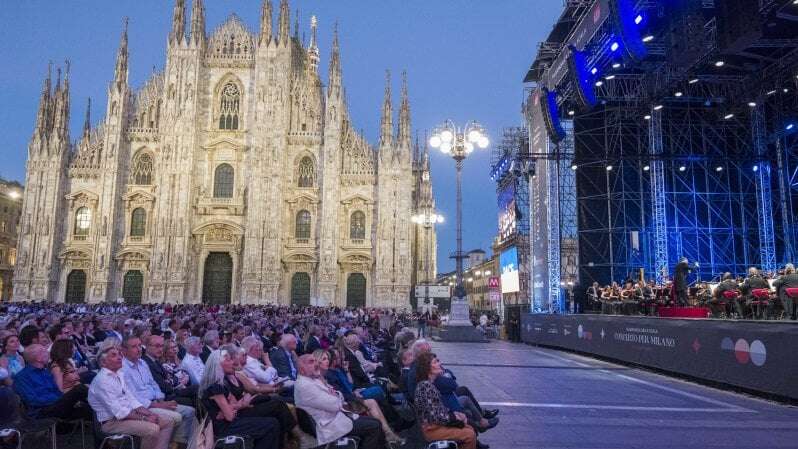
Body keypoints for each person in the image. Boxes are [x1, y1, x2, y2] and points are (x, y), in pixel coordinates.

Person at [88, 345, 175, 449]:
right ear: (103, 363)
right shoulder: (102, 381)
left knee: (167, 422)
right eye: (114, 355)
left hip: (128, 416)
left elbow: (132, 400)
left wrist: (150, 414)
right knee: (152, 429)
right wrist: (145, 418)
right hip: (111, 423)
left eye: (120, 354)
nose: (120, 357)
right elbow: (120, 412)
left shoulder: (119, 374)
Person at [294, 354, 385, 449]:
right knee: (374, 426)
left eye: (315, 360)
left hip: (338, 417)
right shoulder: (305, 386)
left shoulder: (313, 379)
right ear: (302, 369)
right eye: (311, 362)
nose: (316, 364)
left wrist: (335, 396)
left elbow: (338, 395)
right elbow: (335, 405)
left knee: (375, 422)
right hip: (329, 426)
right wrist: (335, 396)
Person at [315, 348, 405, 445]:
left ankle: (389, 432)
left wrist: (346, 371)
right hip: (344, 406)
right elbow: (340, 395)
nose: (328, 360)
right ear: (318, 362)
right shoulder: (328, 375)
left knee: (374, 398)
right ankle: (389, 431)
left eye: (327, 358)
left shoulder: (336, 370)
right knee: (375, 397)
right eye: (324, 359)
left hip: (349, 398)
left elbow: (350, 385)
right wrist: (353, 395)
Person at [120, 335, 195, 446]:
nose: (139, 349)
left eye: (140, 346)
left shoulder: (142, 363)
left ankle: (176, 444)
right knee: (175, 417)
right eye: (134, 346)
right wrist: (158, 405)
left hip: (156, 401)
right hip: (143, 406)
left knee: (189, 411)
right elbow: (134, 397)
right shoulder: (122, 368)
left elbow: (154, 384)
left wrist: (161, 400)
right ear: (124, 351)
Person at [198, 349, 281, 449]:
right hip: (224, 427)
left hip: (231, 421)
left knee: (272, 421)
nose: (233, 362)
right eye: (228, 360)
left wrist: (230, 408)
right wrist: (237, 407)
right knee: (271, 425)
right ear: (218, 364)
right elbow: (230, 416)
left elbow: (236, 403)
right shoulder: (215, 387)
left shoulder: (222, 384)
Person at [225, 345, 297, 447]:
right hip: (242, 411)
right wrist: (273, 389)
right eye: (240, 355)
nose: (242, 358)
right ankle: (294, 435)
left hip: (250, 402)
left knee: (277, 406)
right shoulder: (230, 376)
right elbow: (254, 388)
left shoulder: (236, 373)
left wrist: (272, 388)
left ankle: (288, 439)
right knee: (277, 408)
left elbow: (253, 388)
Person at [413, 352, 477, 449]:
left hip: (434, 425)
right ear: (427, 368)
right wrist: (455, 417)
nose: (439, 363)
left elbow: (437, 409)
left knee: (469, 428)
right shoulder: (425, 386)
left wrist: (455, 414)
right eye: (435, 362)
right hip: (432, 429)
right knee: (469, 435)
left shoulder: (428, 384)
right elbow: (435, 416)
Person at [13, 343, 92, 421]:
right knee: (79, 389)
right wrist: (60, 399)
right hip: (43, 411)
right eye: (44, 351)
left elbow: (56, 390)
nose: (48, 352)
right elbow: (33, 400)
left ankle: (102, 428)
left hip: (56, 405)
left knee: (90, 410)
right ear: (38, 358)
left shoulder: (45, 372)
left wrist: (64, 399)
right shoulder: (22, 377)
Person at [142, 335, 197, 406]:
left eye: (161, 346)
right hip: (165, 395)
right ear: (147, 346)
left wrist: (173, 381)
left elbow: (169, 378)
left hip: (171, 390)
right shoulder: (146, 362)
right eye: (157, 346)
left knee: (197, 388)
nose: (160, 349)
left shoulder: (155, 360)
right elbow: (163, 386)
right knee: (194, 394)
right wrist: (176, 383)